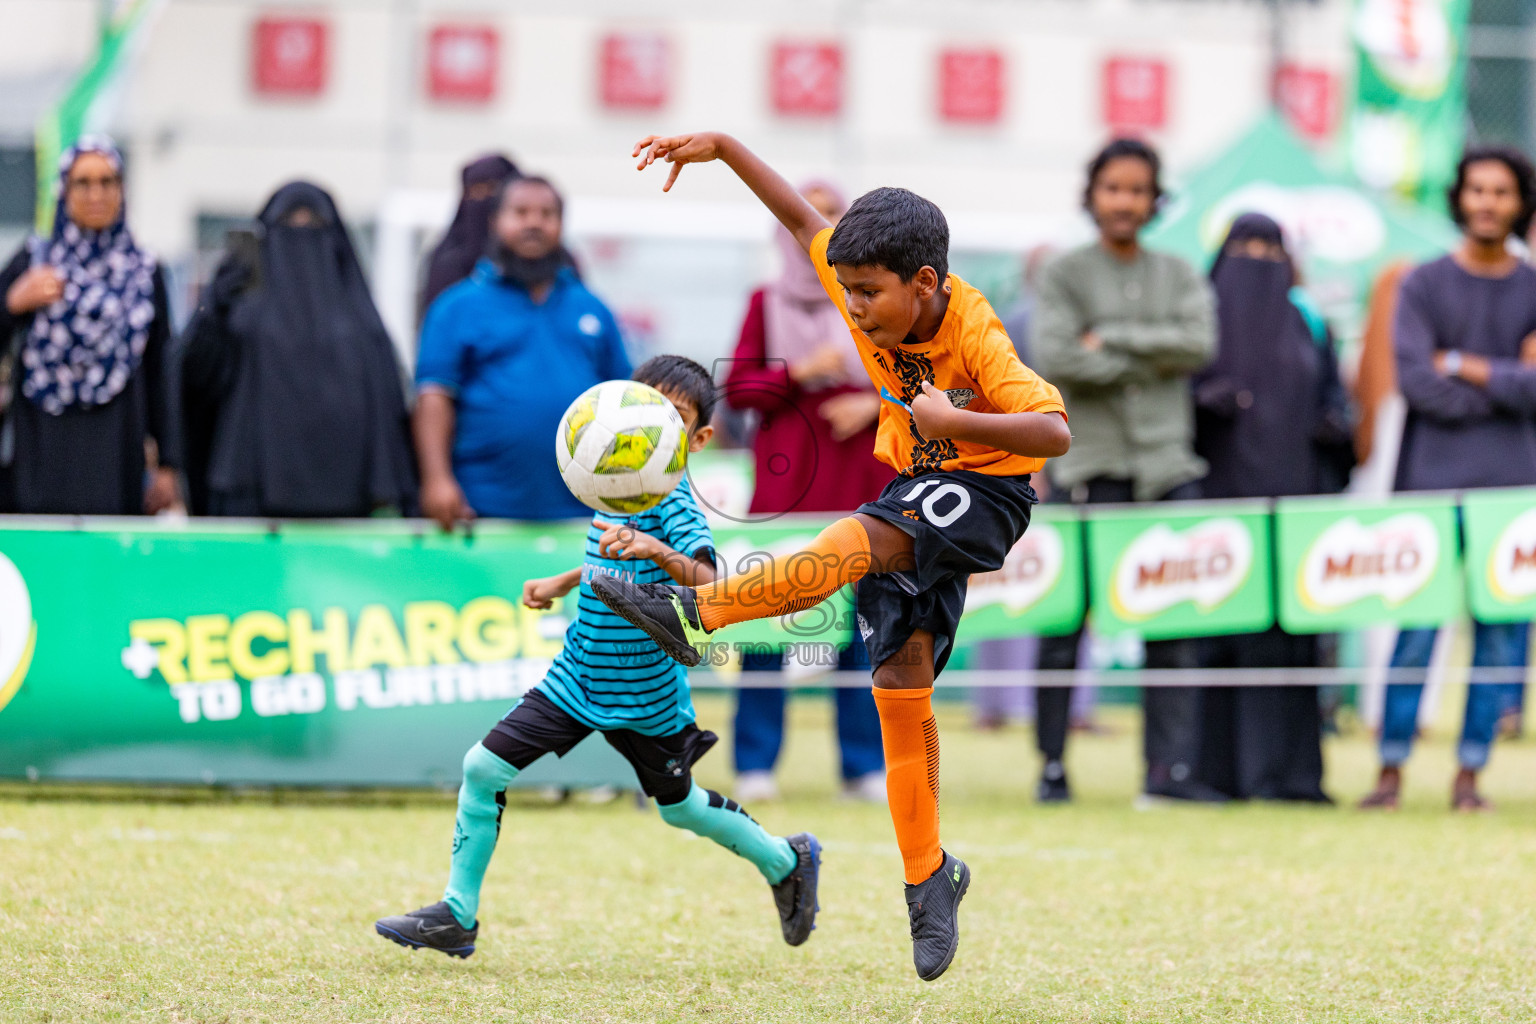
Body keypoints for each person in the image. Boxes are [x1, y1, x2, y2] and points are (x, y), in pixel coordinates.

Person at [593, 131, 1070, 981]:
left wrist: (957, 424)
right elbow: (797, 213)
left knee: (856, 541)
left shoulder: (975, 329)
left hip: (986, 492)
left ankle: (700, 610)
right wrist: (724, 149)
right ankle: (931, 878)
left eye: (868, 296)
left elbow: (1053, 430)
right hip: (919, 483)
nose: (852, 308)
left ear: (924, 283)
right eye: (844, 289)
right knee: (900, 683)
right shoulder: (864, 277)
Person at [374, 356, 822, 957]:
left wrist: (654, 546)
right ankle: (457, 914)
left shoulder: (675, 503)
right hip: (576, 679)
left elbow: (707, 578)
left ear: (699, 439)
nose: (645, 435)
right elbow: (608, 560)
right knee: (482, 768)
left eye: (671, 420)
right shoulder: (613, 478)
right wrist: (564, 580)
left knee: (680, 808)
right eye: (641, 413)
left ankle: (785, 859)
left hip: (647, 697)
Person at [1030, 138, 1217, 805]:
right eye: (1114, 188)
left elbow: (1199, 345)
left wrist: (1108, 338)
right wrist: (1150, 353)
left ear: (1154, 198)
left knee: (1174, 625)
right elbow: (1056, 356)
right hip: (1090, 465)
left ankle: (1166, 775)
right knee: (1065, 625)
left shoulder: (1179, 271)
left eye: (1138, 189)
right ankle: (1052, 766)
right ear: (1093, 195)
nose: (1126, 201)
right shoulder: (1063, 273)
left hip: (1168, 466)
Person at [1358, 146, 1536, 813]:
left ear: (1520, 202)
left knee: (1501, 634)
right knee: (1416, 630)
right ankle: (1391, 767)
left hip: (1515, 493)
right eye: (1477, 190)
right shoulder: (1423, 282)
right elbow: (1417, 383)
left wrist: (1462, 364)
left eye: (1502, 192)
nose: (1488, 202)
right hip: (1430, 487)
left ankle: (1471, 776)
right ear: (1459, 198)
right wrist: (1506, 379)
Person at [722, 179, 888, 804]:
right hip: (790, 480)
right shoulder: (765, 302)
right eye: (808, 210)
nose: (820, 221)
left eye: (833, 211)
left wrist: (874, 402)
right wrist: (803, 372)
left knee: (865, 623)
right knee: (772, 617)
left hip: (864, 474)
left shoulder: (876, 296)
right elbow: (737, 393)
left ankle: (862, 763)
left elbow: (922, 379)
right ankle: (756, 761)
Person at [1191, 212, 1353, 803]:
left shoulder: (1309, 320)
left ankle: (1291, 776)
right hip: (1219, 509)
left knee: (1291, 638)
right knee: (1224, 633)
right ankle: (1218, 774)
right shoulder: (1199, 318)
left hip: (1295, 505)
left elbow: (1336, 394)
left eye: (1271, 247)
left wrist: (1336, 426)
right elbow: (1176, 400)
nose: (1258, 259)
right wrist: (1204, 402)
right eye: (1245, 247)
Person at [178, 182, 415, 517]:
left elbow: (387, 412)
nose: (301, 236)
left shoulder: (362, 324)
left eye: (314, 225)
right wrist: (214, 308)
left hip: (347, 506)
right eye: (289, 225)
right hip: (250, 496)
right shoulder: (241, 309)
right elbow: (194, 378)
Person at [415, 175, 630, 528]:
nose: (534, 222)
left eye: (547, 214)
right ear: (495, 222)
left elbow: (623, 397)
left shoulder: (592, 307)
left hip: (583, 514)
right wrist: (437, 480)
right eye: (520, 212)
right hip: (482, 512)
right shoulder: (457, 306)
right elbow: (434, 395)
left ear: (561, 226)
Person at [0, 135, 178, 515]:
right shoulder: (34, 262)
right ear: (64, 192)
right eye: (82, 182)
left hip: (115, 454)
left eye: (106, 181)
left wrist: (169, 464)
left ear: (121, 190)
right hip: (40, 453)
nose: (95, 194)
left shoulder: (144, 273)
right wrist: (13, 303)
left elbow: (162, 372)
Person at [421, 153, 521, 312]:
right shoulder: (446, 263)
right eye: (474, 191)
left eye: (492, 189)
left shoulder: (549, 264)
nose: (482, 200)